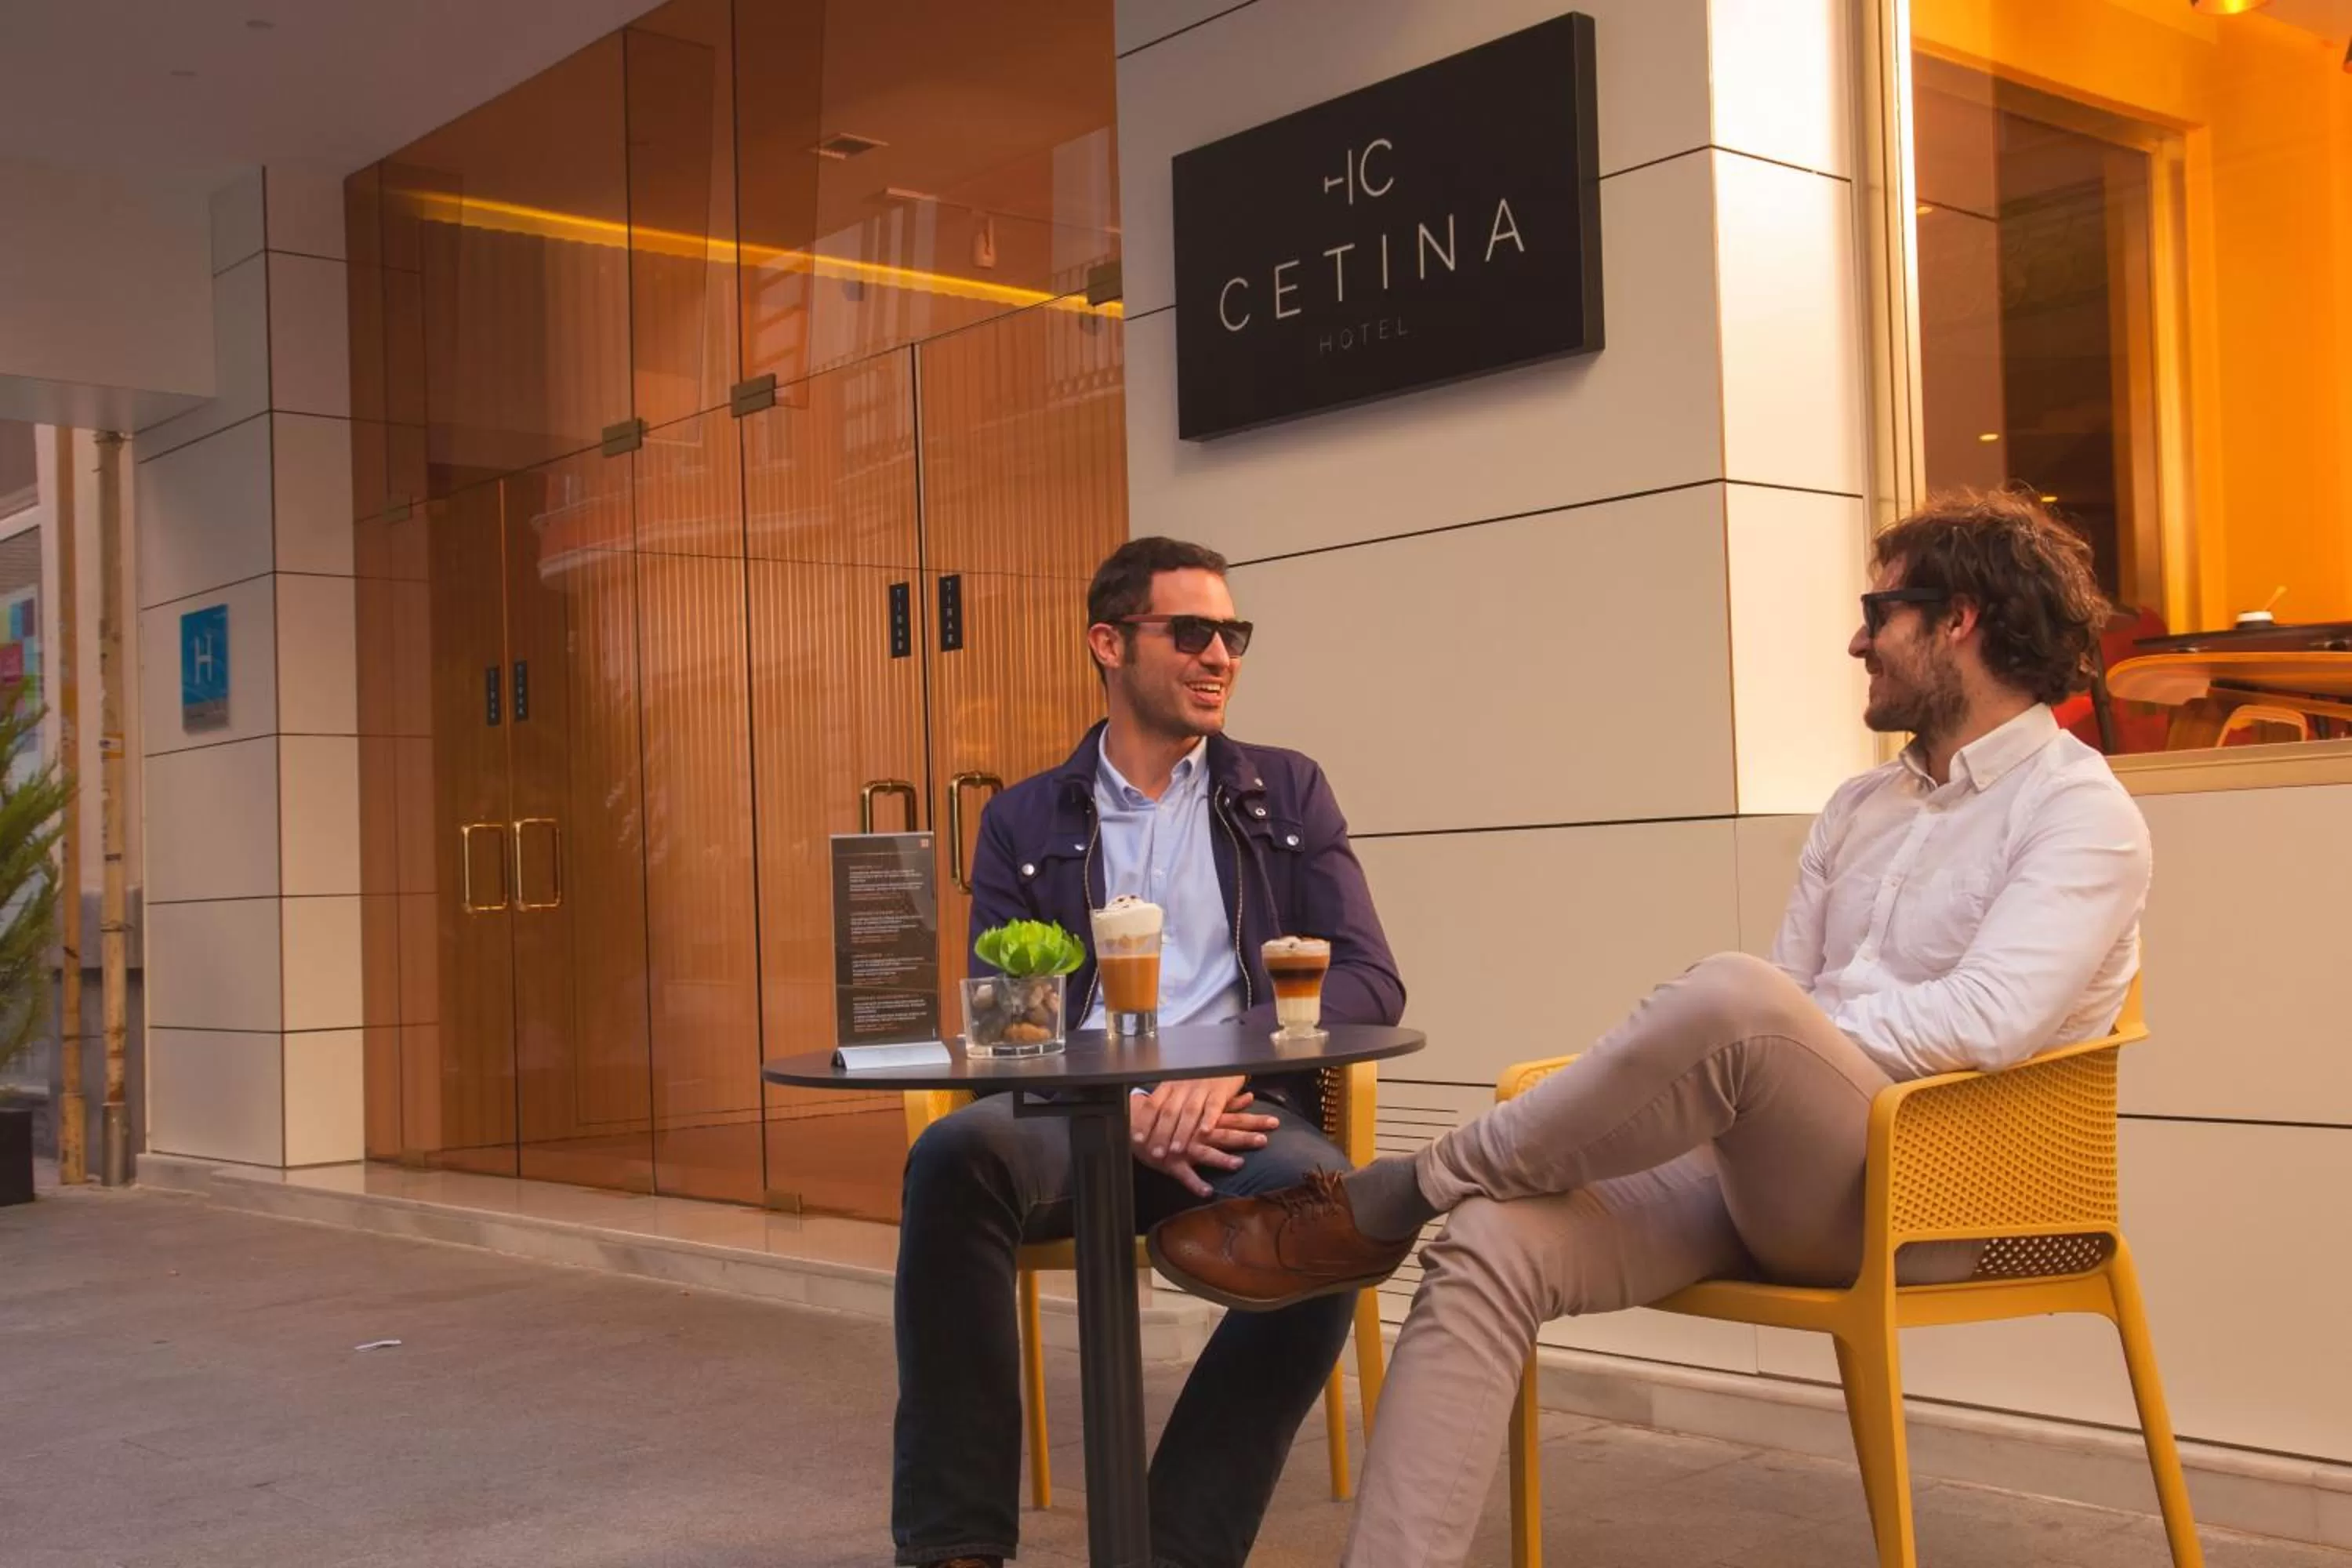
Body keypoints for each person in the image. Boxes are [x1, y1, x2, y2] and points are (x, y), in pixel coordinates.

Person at [1145, 492, 2152, 1568]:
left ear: (1958, 618)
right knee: (1494, 1240)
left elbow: (1987, 1021)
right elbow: (1793, 1001)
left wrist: (1784, 1037)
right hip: (1771, 1177)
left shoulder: (2080, 812)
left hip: (1940, 1199)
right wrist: (1772, 1044)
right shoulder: (1862, 808)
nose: (1859, 638)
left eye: (1880, 610)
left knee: (1736, 997)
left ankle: (1399, 1189)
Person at [891, 535, 1406, 1568]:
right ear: (1109, 644)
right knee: (951, 1159)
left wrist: (1219, 1068)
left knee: (1337, 1220)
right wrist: (1114, 1101)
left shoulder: (1287, 796)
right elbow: (1007, 1017)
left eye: (1234, 634)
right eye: (1192, 632)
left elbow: (1368, 982)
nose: (1221, 655)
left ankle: (1173, 1551)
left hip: (1241, 1118)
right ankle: (955, 1549)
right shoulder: (1024, 818)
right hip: (1073, 1117)